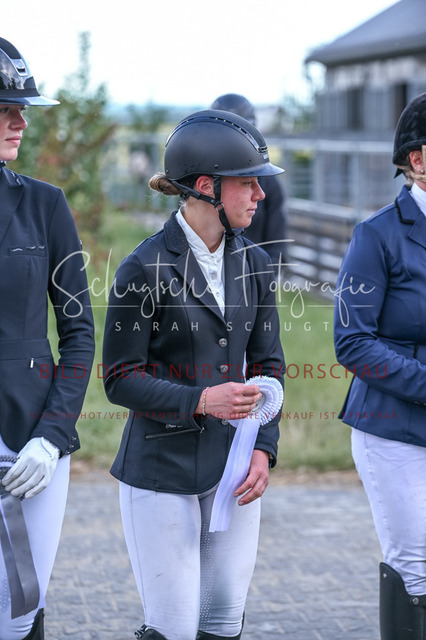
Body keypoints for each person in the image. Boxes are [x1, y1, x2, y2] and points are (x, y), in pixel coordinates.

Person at [102, 109, 285, 640]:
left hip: (234, 469)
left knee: (224, 622)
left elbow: (269, 367)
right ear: (206, 187)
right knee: (175, 627)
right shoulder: (143, 268)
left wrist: (263, 448)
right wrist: (201, 400)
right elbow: (119, 378)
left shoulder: (256, 264)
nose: (261, 195)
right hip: (162, 470)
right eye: (248, 183)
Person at [0, 38, 95, 640]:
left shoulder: (45, 205)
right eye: (6, 108)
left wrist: (52, 437)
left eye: (22, 109)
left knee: (20, 609)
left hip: (29, 442)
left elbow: (79, 333)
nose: (21, 120)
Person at [334, 92, 426, 640]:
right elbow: (352, 342)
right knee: (418, 568)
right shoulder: (376, 236)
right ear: (418, 159)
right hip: (393, 428)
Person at [210, 94, 287, 277]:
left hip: (251, 274)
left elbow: (277, 242)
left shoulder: (268, 184)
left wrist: (262, 280)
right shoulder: (200, 180)